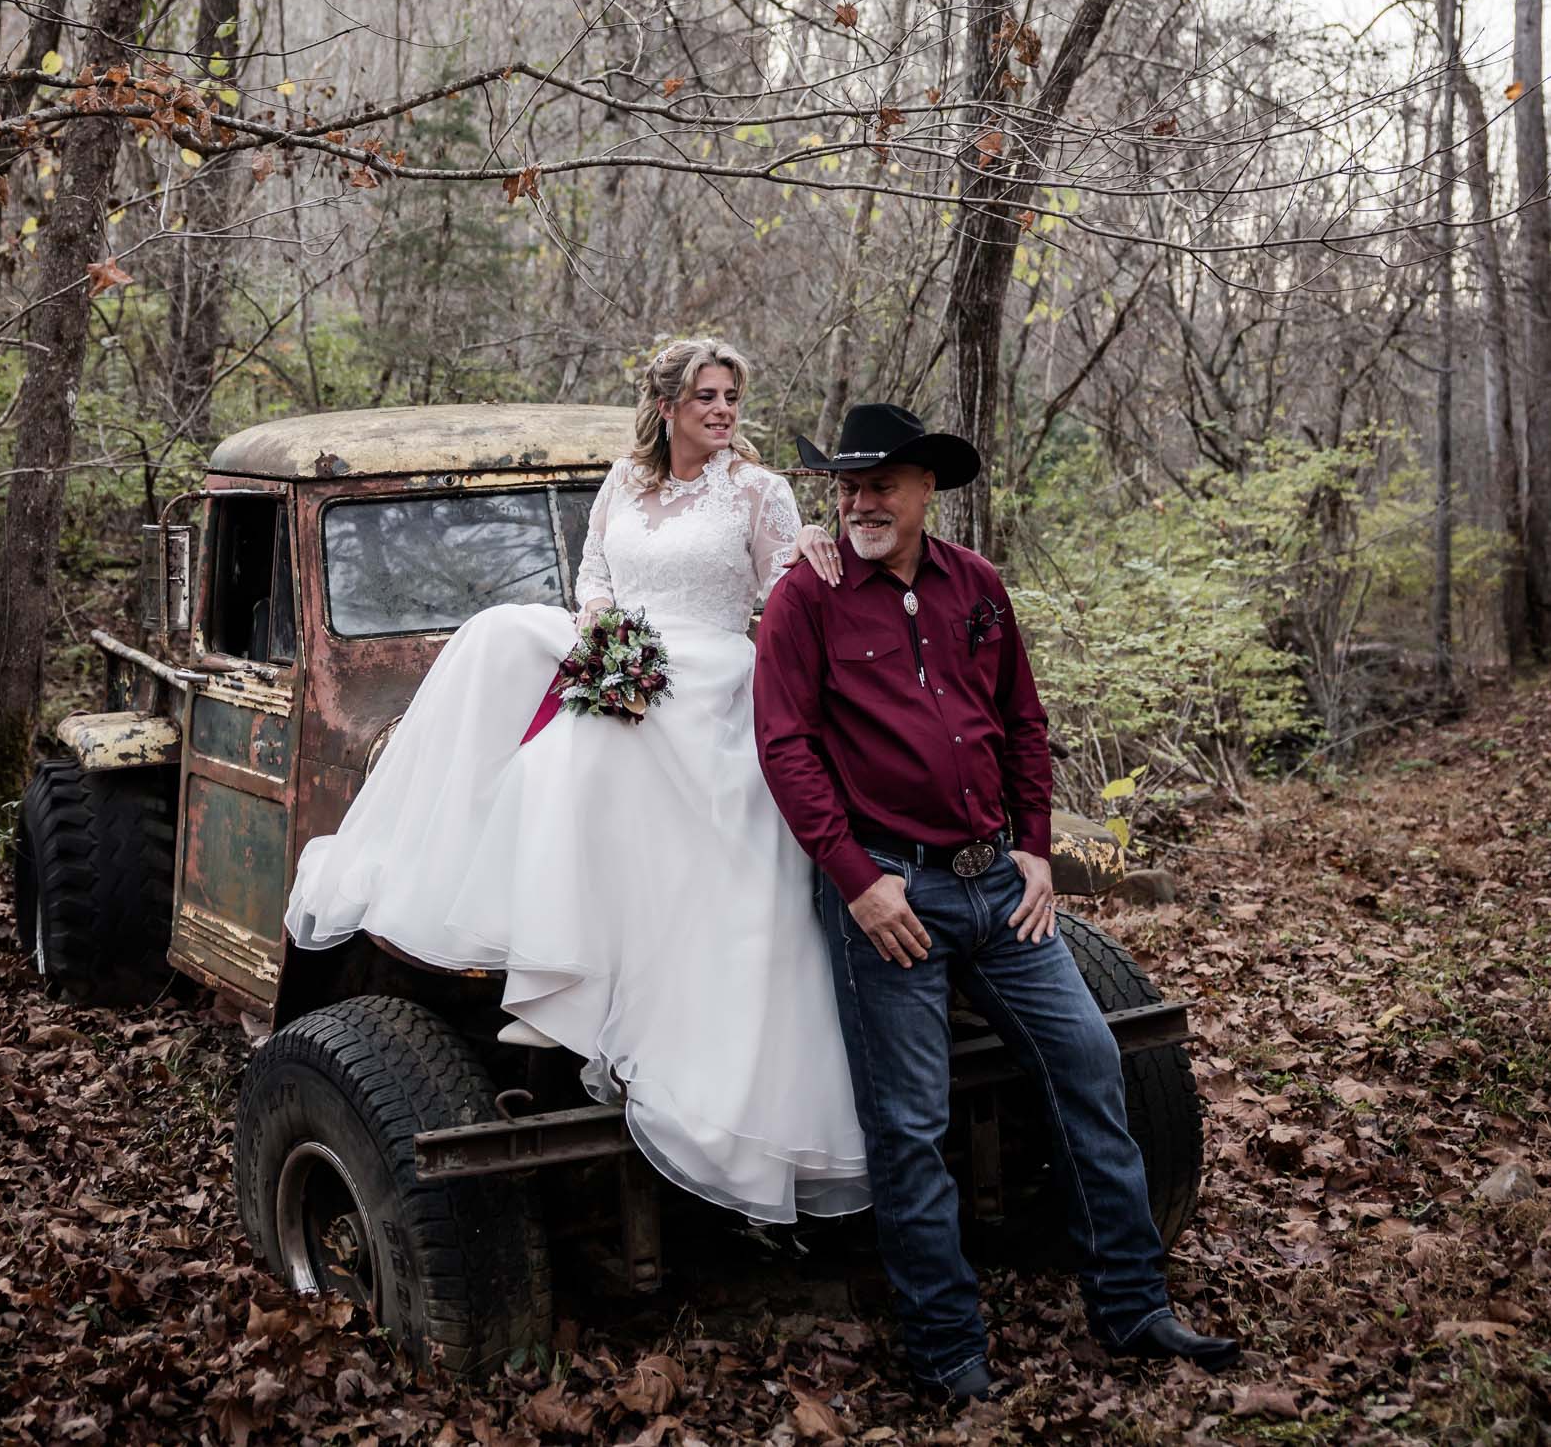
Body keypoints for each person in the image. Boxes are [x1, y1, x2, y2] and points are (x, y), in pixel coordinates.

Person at [285, 337, 869, 1226]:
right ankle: (537, 958)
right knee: (503, 638)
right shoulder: (622, 483)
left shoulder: (758, 490)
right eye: (704, 396)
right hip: (626, 656)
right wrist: (603, 633)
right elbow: (594, 576)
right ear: (667, 405)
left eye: (731, 396)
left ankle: (593, 997)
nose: (721, 410)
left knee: (584, 747)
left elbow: (785, 588)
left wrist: (816, 545)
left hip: (712, 672)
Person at [753, 401, 1241, 1403]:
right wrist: (857, 880)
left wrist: (1032, 849)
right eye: (845, 485)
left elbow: (1021, 721)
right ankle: (946, 1356)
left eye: (879, 482)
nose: (858, 501)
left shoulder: (973, 585)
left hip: (996, 884)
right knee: (911, 1122)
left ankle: (1131, 1304)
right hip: (893, 893)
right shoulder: (807, 596)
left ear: (926, 488)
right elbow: (785, 747)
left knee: (1088, 1062)